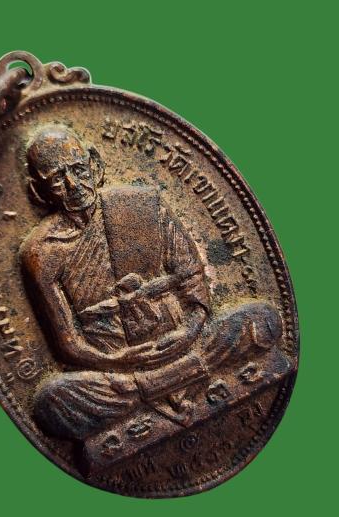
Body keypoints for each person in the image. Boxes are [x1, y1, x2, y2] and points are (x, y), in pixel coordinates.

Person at [21, 125, 282, 440]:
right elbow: (68, 342)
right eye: (57, 179)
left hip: (185, 343)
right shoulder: (41, 251)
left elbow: (192, 278)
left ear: (95, 164)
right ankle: (170, 380)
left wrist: (190, 330)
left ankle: (159, 385)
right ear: (38, 191)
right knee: (52, 403)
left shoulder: (143, 203)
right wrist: (119, 360)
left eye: (78, 169)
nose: (74, 185)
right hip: (120, 373)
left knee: (261, 320)